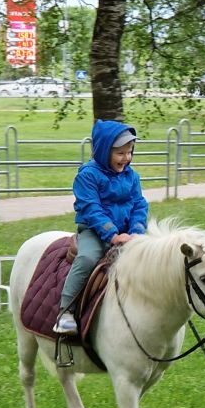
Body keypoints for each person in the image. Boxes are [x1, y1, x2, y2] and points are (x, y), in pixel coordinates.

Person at [54, 119, 149, 334]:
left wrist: (136, 232)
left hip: (127, 233)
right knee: (87, 258)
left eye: (130, 152)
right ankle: (66, 311)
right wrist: (112, 235)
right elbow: (91, 208)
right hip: (95, 231)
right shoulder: (88, 175)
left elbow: (139, 204)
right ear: (105, 150)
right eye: (120, 153)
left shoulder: (131, 176)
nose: (126, 158)